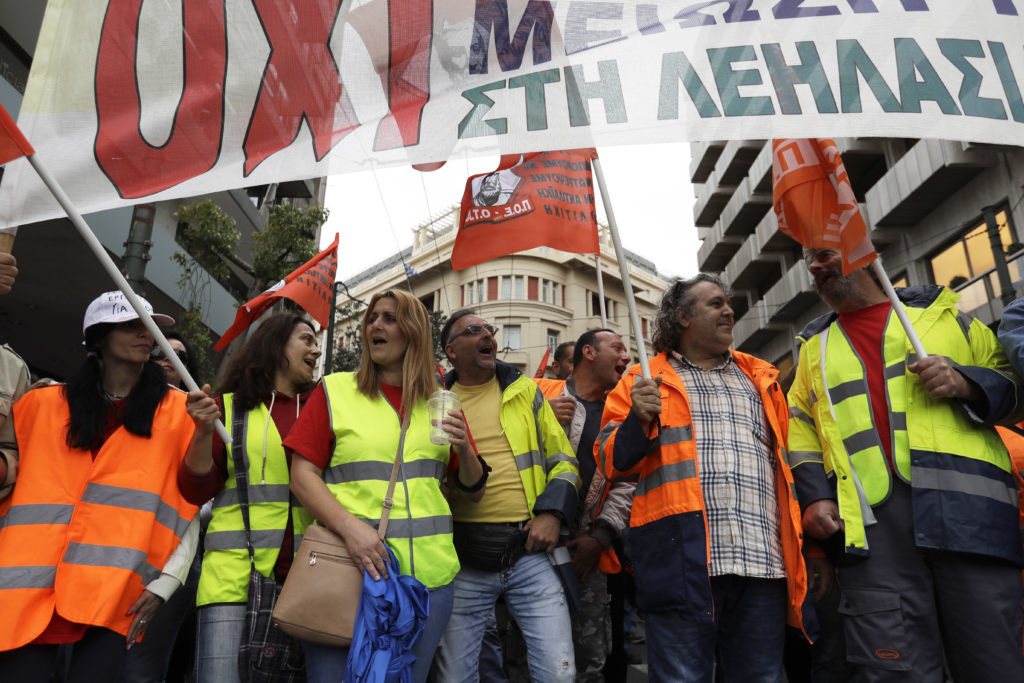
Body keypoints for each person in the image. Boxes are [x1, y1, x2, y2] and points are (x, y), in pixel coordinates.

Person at [789, 248, 1024, 683]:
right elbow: (799, 432)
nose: (814, 268)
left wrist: (968, 382)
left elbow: (1014, 386)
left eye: (823, 255)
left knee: (994, 664)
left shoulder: (948, 318)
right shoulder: (811, 348)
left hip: (970, 518)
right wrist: (816, 498)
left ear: (862, 254)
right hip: (871, 530)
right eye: (808, 261)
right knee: (894, 670)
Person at [596, 275, 808, 683]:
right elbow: (610, 463)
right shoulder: (641, 380)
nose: (729, 310)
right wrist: (636, 422)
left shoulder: (760, 379)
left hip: (763, 565)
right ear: (683, 317)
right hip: (680, 563)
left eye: (728, 303)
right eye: (715, 303)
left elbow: (786, 468)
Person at [0, 291, 201, 682]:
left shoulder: (183, 414)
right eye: (131, 324)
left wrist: (166, 583)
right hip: (24, 599)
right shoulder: (37, 406)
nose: (146, 334)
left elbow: (189, 506)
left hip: (112, 600)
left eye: (150, 326)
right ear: (99, 336)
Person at [286, 290, 483, 683]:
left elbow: (472, 487)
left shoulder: (441, 402)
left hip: (429, 584)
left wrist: (465, 448)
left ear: (413, 333)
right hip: (347, 573)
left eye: (389, 318)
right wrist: (351, 530)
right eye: (372, 318)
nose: (376, 325)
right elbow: (301, 476)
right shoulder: (334, 390)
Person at [435, 308, 580, 683]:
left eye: (490, 329)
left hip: (529, 556)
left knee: (559, 675)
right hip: (461, 560)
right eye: (474, 330)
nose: (488, 335)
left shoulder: (526, 391)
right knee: (455, 678)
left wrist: (551, 514)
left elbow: (564, 461)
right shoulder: (434, 399)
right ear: (451, 350)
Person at [178, 312, 320, 683]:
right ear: (276, 346)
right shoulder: (225, 409)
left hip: (306, 584)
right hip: (231, 583)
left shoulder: (324, 411)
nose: (316, 349)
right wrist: (201, 432)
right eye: (306, 339)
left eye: (316, 341)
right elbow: (195, 489)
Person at [538, 329, 634, 682]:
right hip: (531, 548)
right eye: (618, 348)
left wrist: (601, 537)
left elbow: (627, 480)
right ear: (589, 352)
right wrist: (540, 417)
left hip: (587, 553)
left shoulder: (622, 410)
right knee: (530, 655)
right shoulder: (540, 394)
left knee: (589, 661)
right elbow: (504, 449)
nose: (626, 358)